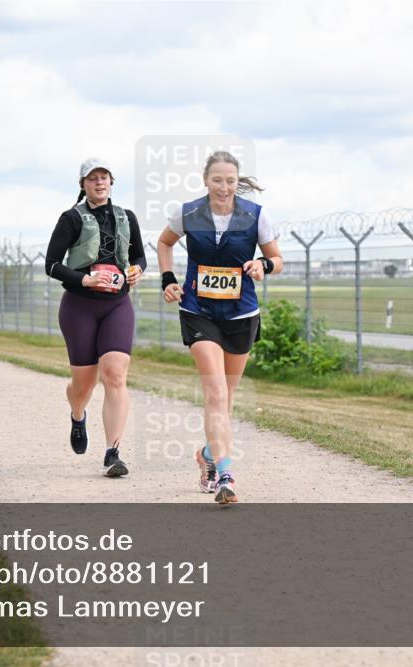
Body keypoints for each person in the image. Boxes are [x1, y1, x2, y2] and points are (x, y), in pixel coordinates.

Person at [156, 150, 283, 504]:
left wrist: (263, 266)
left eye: (230, 181)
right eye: (217, 180)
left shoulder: (256, 215)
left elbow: (277, 259)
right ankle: (226, 474)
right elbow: (164, 242)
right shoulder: (188, 213)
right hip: (198, 310)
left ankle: (207, 455)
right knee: (215, 393)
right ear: (205, 180)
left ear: (237, 181)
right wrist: (168, 278)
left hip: (241, 314)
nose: (223, 187)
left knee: (226, 399)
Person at [45, 158, 147, 477]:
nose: (99, 182)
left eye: (104, 177)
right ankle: (78, 415)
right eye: (93, 178)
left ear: (111, 182)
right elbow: (51, 264)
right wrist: (84, 279)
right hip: (79, 306)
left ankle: (113, 453)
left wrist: (137, 270)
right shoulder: (71, 218)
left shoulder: (126, 217)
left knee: (115, 373)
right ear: (83, 184)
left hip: (117, 305)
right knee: (84, 384)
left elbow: (139, 256)